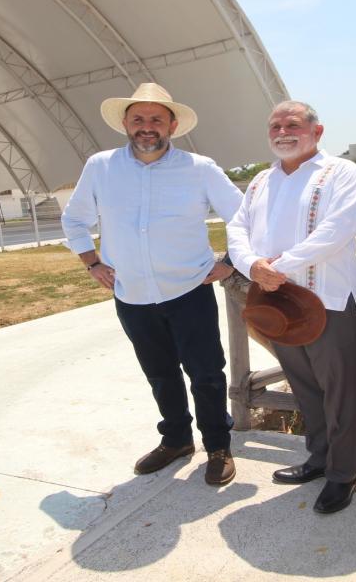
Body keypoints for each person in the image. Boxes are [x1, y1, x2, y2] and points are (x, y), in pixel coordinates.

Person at [61, 83, 242, 486]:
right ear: (125, 123)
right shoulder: (100, 166)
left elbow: (245, 216)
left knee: (207, 373)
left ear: (172, 125)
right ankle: (176, 440)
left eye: (156, 119)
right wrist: (91, 261)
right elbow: (74, 219)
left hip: (189, 289)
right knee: (159, 373)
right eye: (138, 119)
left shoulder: (200, 168)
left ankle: (217, 446)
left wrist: (231, 262)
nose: (147, 127)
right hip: (132, 293)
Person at [226, 101, 356, 513]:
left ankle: (343, 475)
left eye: (293, 124)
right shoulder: (260, 181)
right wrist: (251, 264)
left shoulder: (341, 172)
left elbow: (339, 228)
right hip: (278, 303)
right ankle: (319, 459)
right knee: (305, 387)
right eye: (275, 125)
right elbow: (237, 228)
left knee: (338, 391)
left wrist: (279, 268)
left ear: (317, 131)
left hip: (328, 299)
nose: (283, 132)